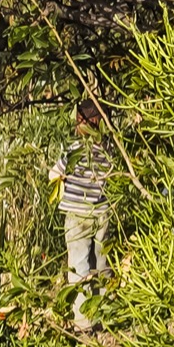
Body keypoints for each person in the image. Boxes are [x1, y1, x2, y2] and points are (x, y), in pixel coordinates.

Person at [56, 98, 114, 330]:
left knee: (79, 267)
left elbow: (55, 173)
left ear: (80, 124)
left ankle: (83, 320)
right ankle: (105, 313)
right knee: (101, 263)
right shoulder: (108, 151)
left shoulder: (73, 151)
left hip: (78, 215)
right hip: (101, 213)